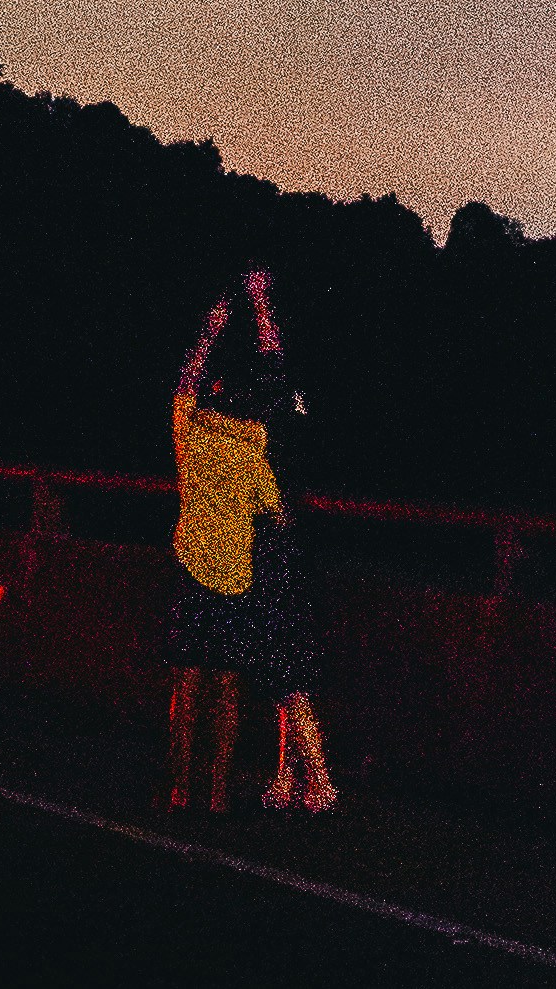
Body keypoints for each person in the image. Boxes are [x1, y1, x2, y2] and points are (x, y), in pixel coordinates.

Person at [164, 292, 279, 810]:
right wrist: (261, 307)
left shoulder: (191, 433)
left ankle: (180, 787)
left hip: (191, 565)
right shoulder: (252, 443)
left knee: (187, 685)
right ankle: (216, 793)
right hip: (236, 574)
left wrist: (210, 330)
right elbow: (273, 380)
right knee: (228, 688)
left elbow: (183, 383)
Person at [238, 264, 339, 814]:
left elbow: (271, 358)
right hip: (290, 543)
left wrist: (259, 304)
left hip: (279, 545)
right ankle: (287, 778)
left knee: (288, 670)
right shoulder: (295, 418)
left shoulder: (272, 422)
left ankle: (320, 780)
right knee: (283, 672)